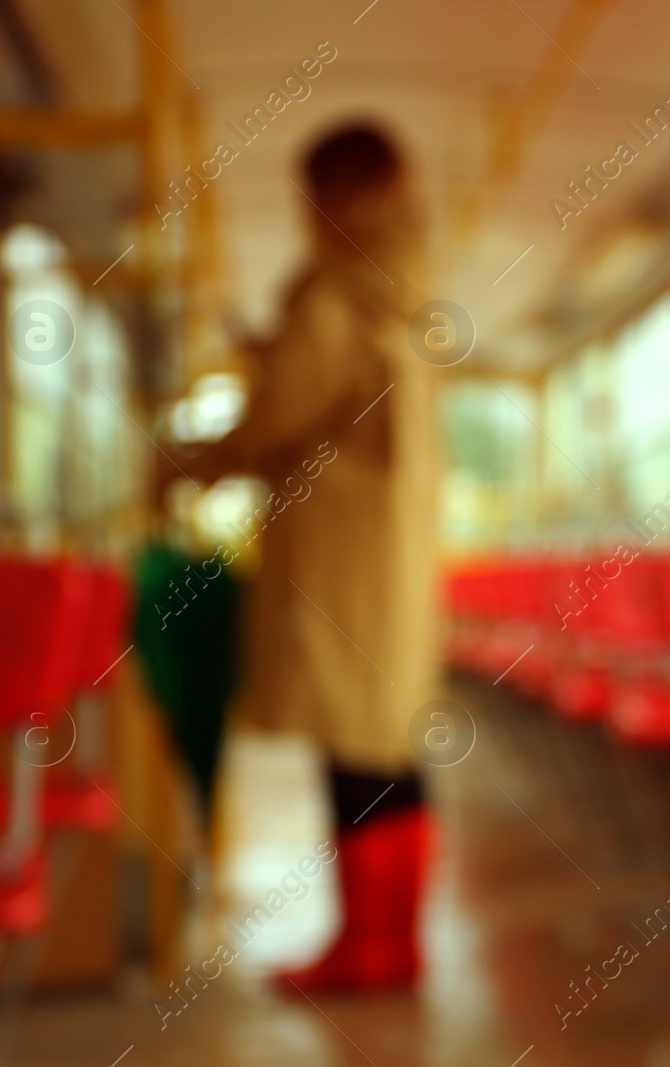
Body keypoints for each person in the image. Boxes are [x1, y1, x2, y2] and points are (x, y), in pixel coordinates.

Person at [172, 122, 441, 988]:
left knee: (352, 749)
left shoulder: (331, 302)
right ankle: (393, 943)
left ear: (332, 200)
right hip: (389, 566)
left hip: (337, 572)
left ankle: (364, 949)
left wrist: (177, 462)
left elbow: (272, 423)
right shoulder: (401, 296)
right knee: (390, 748)